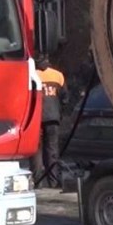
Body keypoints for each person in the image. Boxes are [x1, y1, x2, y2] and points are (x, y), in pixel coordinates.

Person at [35, 55, 68, 188]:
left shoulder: (32, 75)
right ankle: (53, 182)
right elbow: (65, 98)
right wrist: (60, 112)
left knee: (36, 151)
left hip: (36, 119)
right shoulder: (58, 76)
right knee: (52, 150)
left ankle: (37, 182)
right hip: (53, 118)